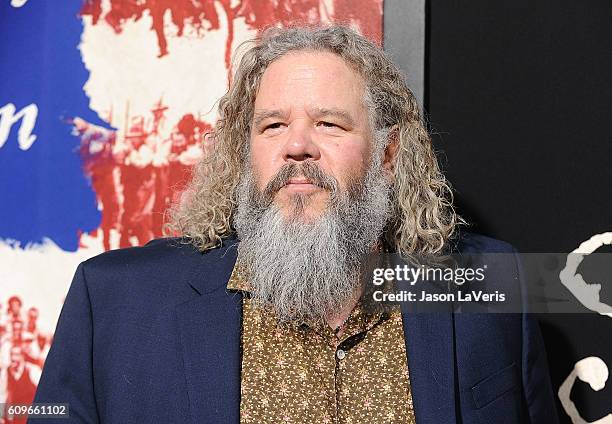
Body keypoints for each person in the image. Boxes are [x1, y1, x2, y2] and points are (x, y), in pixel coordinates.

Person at [31, 25, 558, 423]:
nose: (297, 145)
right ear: (246, 153)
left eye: (329, 123)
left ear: (389, 154)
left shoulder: (486, 284)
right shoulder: (116, 305)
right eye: (274, 125)